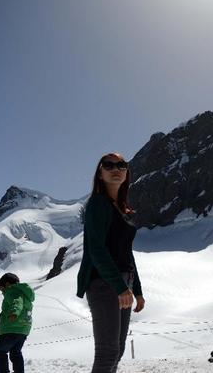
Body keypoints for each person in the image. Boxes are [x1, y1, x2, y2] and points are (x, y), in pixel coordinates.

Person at [76, 152, 145, 373]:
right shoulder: (98, 204)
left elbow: (127, 255)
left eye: (121, 165)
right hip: (104, 283)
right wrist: (119, 287)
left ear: (127, 172)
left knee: (117, 349)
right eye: (109, 165)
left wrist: (137, 290)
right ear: (100, 172)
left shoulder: (122, 209)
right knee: (107, 352)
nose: (116, 168)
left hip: (122, 283)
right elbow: (96, 250)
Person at [0, 273, 35, 373]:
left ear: (7, 284)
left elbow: (17, 302)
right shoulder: (24, 293)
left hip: (11, 328)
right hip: (23, 330)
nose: (2, 292)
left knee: (1, 351)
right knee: (15, 352)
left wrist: (14, 312)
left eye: (2, 289)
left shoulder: (12, 292)